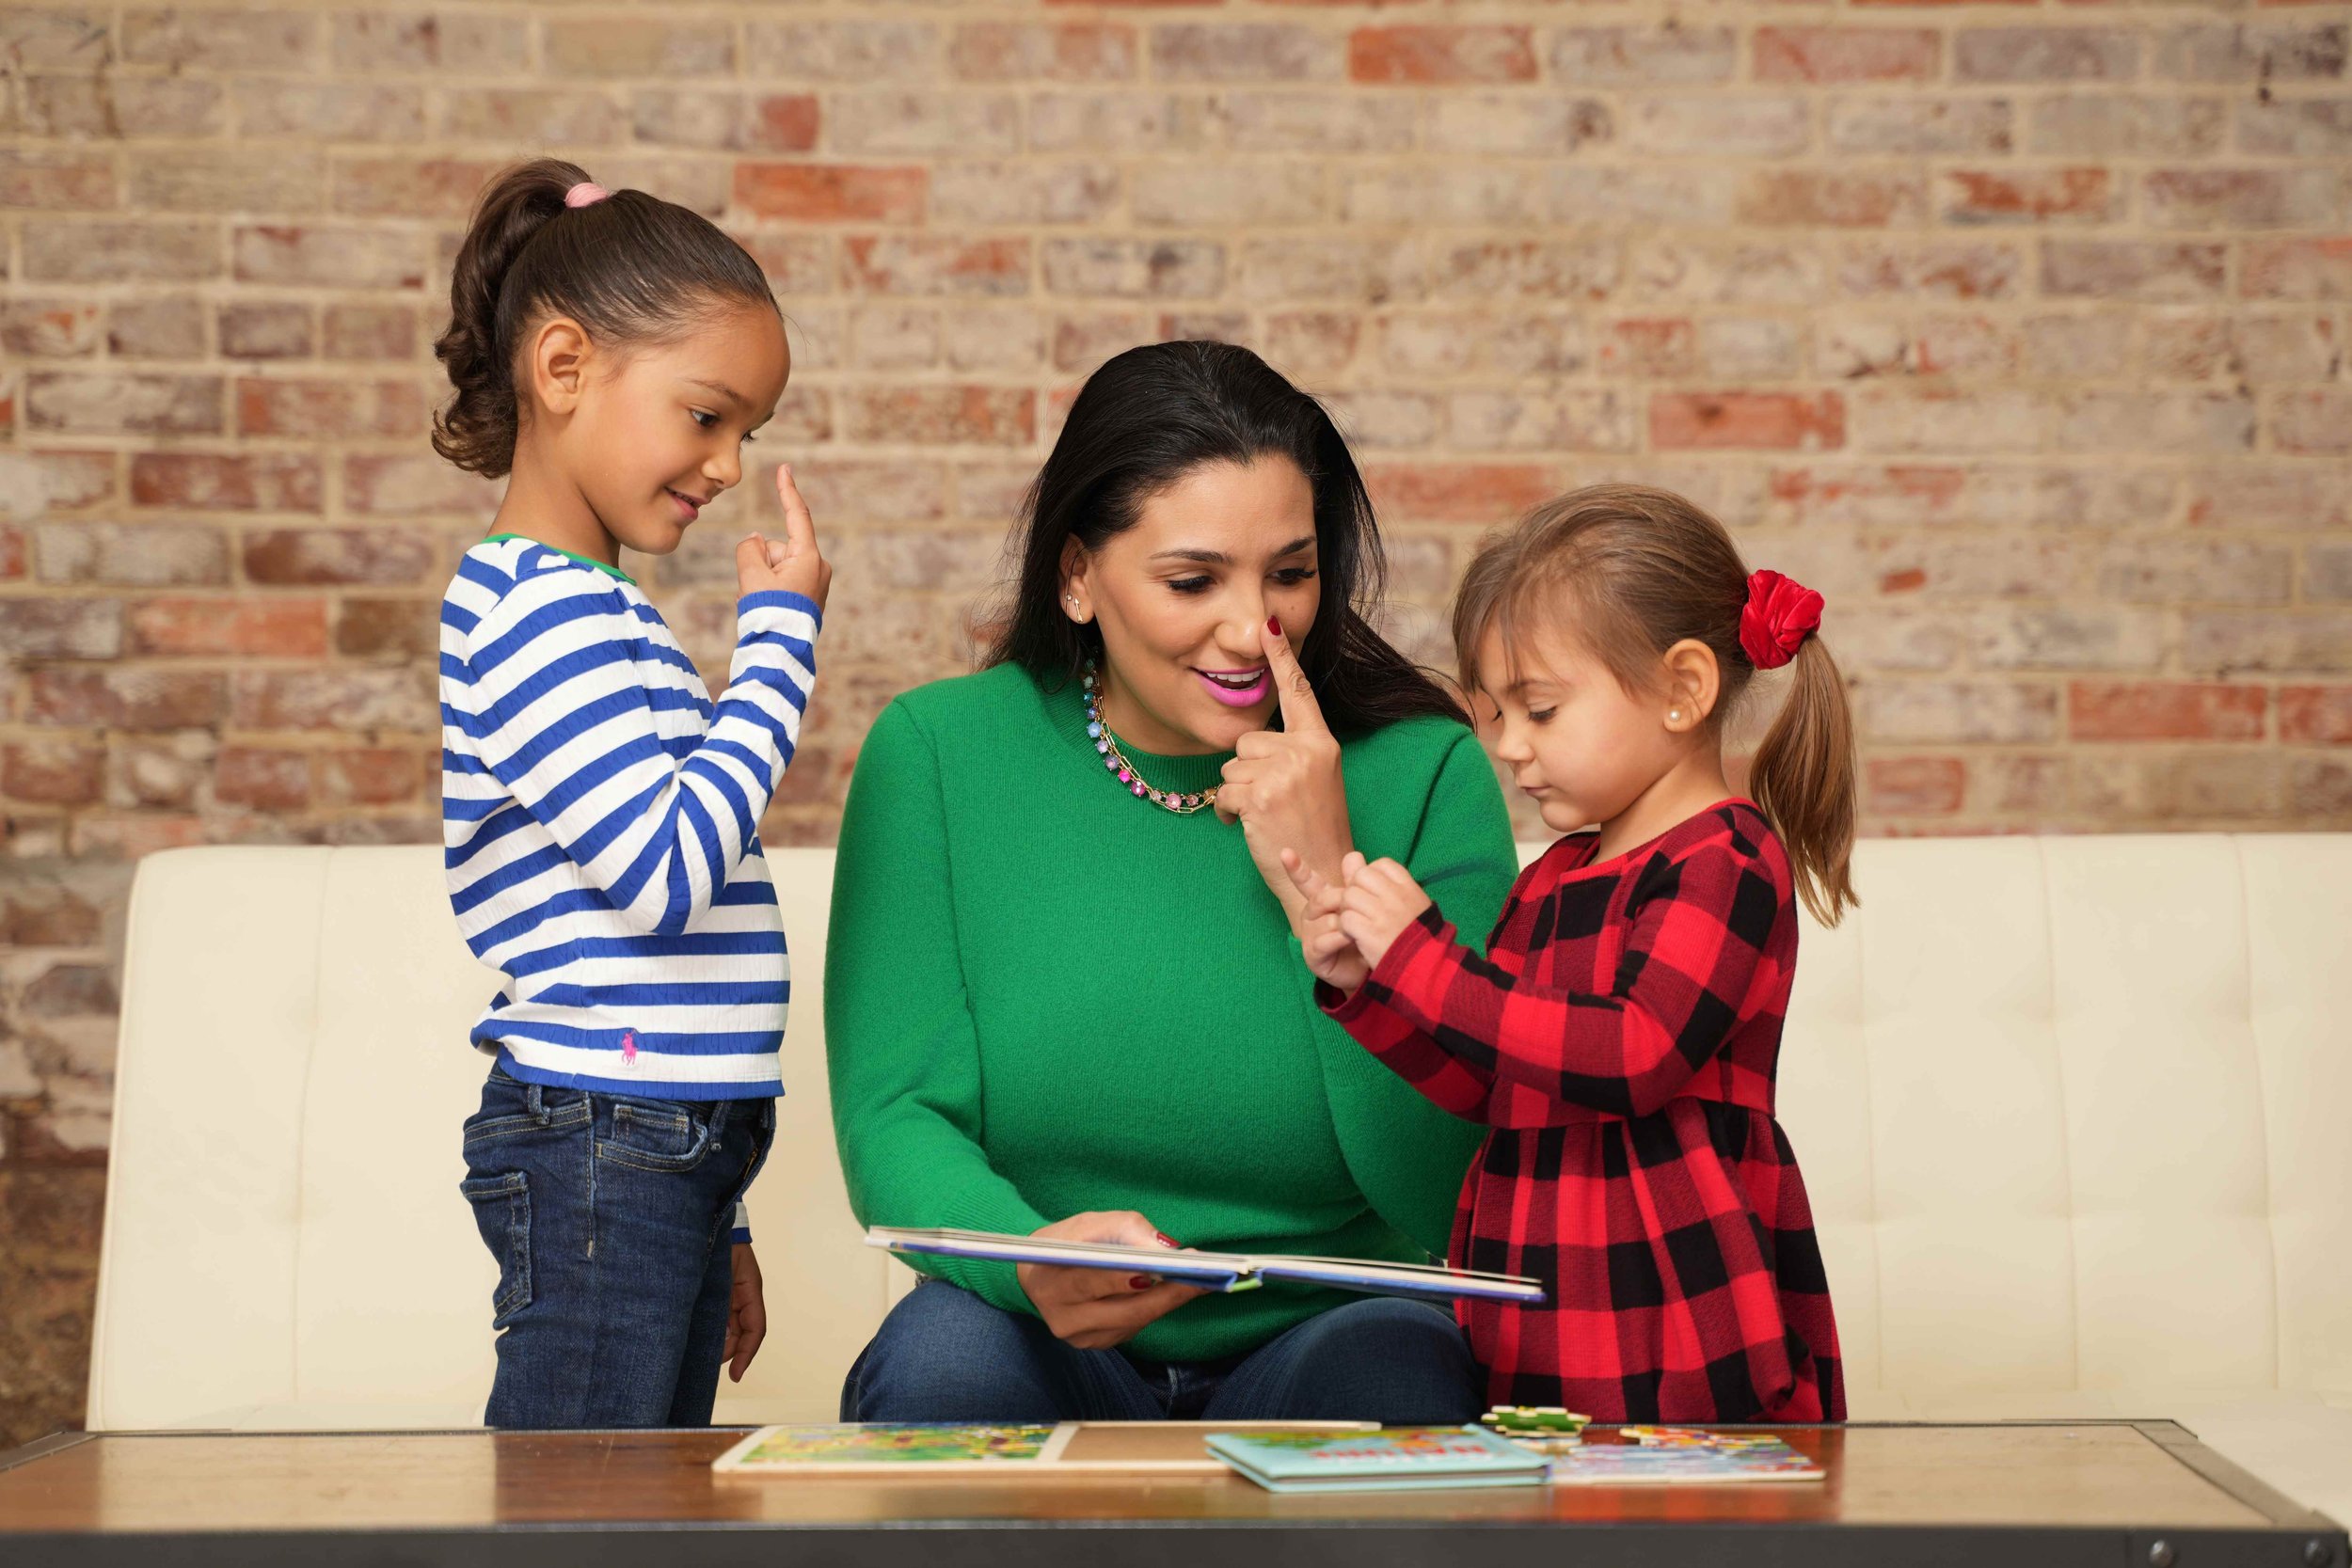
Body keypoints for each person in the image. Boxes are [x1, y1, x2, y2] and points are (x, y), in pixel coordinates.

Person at [828, 341, 1519, 1424]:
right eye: (1193, 580)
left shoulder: (1424, 772)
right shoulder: (936, 754)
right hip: (1036, 1327)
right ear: (1076, 575)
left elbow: (1446, 1186)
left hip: (1326, 1329)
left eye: (1289, 572)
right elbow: (895, 1112)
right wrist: (1027, 1262)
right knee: (941, 1369)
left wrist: (1327, 882)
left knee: (1402, 1374)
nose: (1254, 630)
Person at [1291, 483, 1849, 1423]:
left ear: (1683, 689)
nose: (1506, 746)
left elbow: (1630, 1054)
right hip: (1540, 1288)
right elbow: (1491, 1076)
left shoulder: (1727, 857)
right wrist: (1374, 985)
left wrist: (1425, 957)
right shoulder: (1555, 875)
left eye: (1539, 709)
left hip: (1673, 1301)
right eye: (1496, 713)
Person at [433, 158, 831, 1428]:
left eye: (747, 432)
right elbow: (665, 881)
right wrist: (777, 648)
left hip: (655, 1138)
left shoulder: (598, 611)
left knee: (649, 1506)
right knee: (581, 1508)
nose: (726, 464)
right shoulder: (534, 611)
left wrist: (728, 1211)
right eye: (707, 415)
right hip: (605, 1140)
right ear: (564, 370)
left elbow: (670, 982)